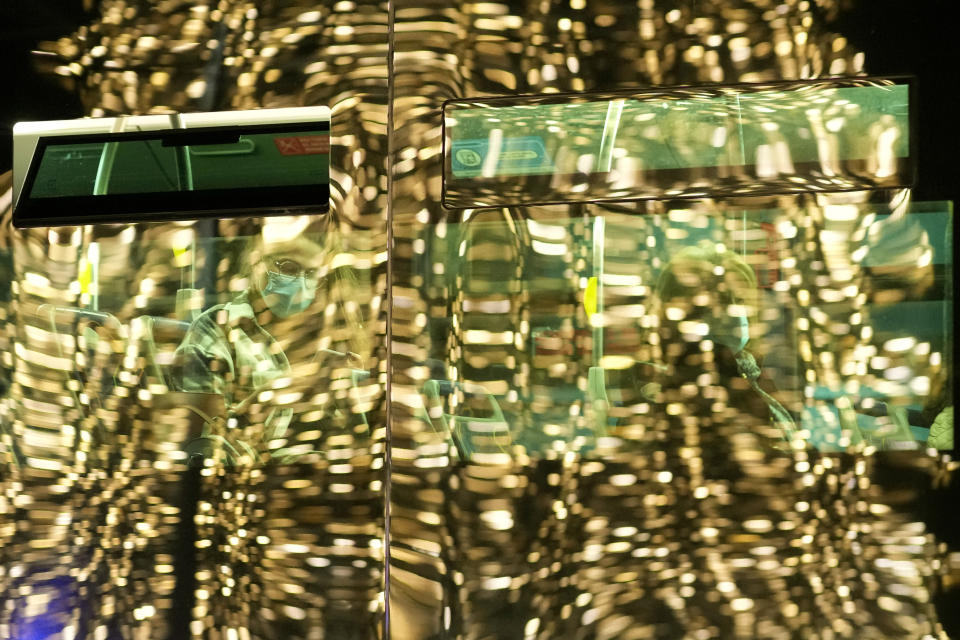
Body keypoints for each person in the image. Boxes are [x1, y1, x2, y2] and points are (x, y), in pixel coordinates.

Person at [171, 222, 367, 464]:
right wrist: (286, 390)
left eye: (311, 274)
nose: (301, 284)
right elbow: (200, 446)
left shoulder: (318, 337)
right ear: (257, 262)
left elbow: (357, 443)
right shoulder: (216, 331)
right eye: (288, 268)